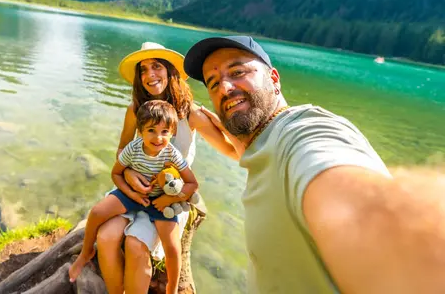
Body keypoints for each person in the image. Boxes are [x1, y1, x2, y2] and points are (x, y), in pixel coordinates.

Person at [183, 35, 445, 293]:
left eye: (237, 71)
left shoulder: (302, 132)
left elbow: (365, 208)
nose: (225, 88)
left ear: (274, 79)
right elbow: (242, 146)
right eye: (213, 83)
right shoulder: (262, 145)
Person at [96, 42, 242, 294]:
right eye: (143, 70)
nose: (149, 75)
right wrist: (128, 173)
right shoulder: (136, 110)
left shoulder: (191, 114)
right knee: (105, 237)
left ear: (170, 71)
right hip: (135, 189)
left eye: (156, 67)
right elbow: (122, 150)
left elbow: (233, 151)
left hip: (169, 196)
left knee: (134, 245)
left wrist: (223, 124)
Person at [69, 100, 199, 294]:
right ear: (140, 130)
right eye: (151, 130)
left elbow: (192, 184)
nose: (158, 137)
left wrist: (169, 200)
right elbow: (116, 174)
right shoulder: (133, 149)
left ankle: (171, 288)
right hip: (132, 193)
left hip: (160, 201)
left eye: (165, 132)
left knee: (172, 247)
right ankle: (87, 251)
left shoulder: (172, 154)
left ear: (172, 132)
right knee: (97, 212)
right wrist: (132, 194)